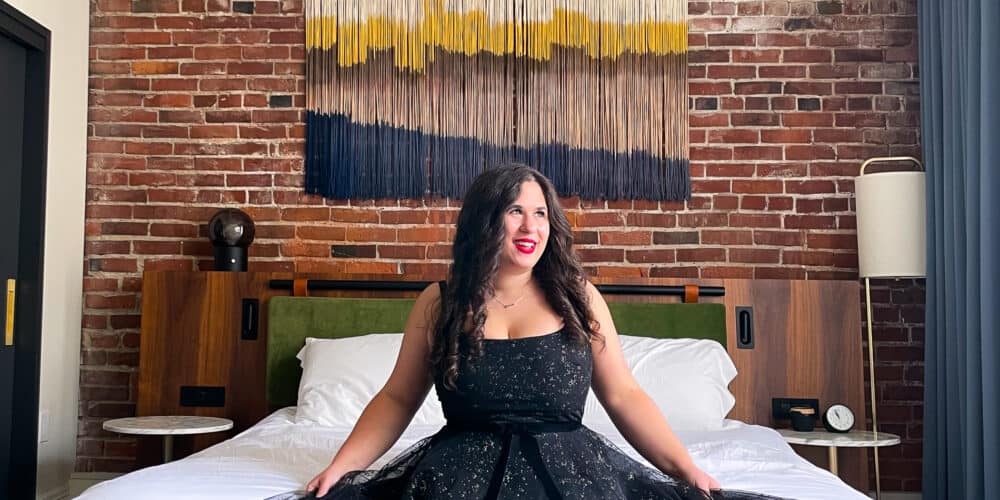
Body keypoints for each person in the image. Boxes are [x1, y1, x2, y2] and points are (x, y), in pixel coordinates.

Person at [302, 164, 778, 500]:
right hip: (456, 476)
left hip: (572, 474)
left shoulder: (578, 297)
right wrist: (343, 469)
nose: (531, 225)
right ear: (484, 220)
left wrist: (685, 469)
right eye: (514, 211)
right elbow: (397, 399)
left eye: (541, 213)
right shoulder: (440, 302)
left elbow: (625, 396)